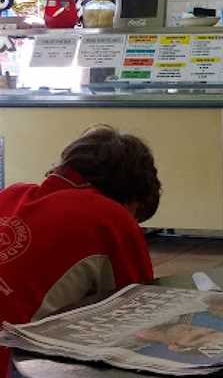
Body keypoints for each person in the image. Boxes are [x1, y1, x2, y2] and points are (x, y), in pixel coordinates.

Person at [0, 126, 161, 377]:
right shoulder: (109, 216)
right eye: (136, 216)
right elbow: (143, 310)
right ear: (131, 196)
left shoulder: (11, 194)